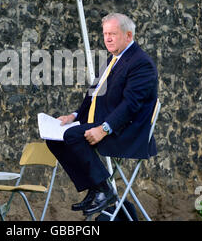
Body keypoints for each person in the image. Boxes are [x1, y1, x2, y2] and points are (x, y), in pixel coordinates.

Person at [46, 13, 158, 216]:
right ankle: (96, 189)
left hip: (127, 132)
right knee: (54, 139)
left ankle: (103, 189)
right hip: (109, 125)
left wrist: (104, 129)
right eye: (105, 34)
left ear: (128, 35)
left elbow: (130, 105)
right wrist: (74, 116)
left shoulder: (141, 63)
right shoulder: (113, 59)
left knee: (72, 136)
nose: (107, 38)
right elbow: (93, 94)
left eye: (113, 34)